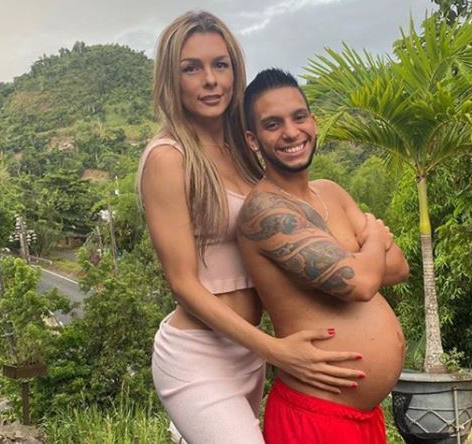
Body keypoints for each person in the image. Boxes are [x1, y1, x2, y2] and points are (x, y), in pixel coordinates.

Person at [137, 12, 365, 444]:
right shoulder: (169, 158)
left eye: (220, 65)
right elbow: (183, 284)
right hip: (198, 354)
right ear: (172, 77)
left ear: (235, 70)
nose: (210, 80)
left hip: (246, 351)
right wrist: (276, 351)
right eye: (192, 68)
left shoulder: (244, 148)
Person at [238, 68, 410, 444]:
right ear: (253, 140)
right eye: (272, 124)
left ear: (313, 122)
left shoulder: (331, 191)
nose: (291, 132)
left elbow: (398, 266)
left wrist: (358, 260)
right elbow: (362, 283)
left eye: (298, 117)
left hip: (365, 418)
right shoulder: (265, 211)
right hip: (315, 418)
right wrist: (372, 240)